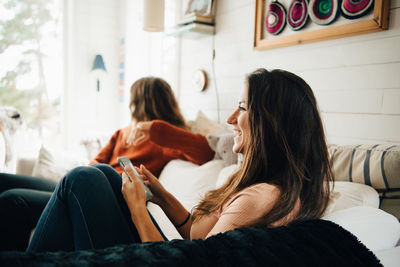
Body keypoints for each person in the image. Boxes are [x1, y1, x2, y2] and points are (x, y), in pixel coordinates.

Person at [26, 68, 333, 252]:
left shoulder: (260, 197)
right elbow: (196, 234)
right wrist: (161, 195)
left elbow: (186, 261)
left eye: (242, 107)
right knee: (102, 173)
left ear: (271, 122)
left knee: (82, 179)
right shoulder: (260, 187)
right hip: (167, 240)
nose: (230, 118)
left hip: (156, 255)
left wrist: (137, 208)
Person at [0, 77, 214, 251]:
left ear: (138, 103)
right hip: (86, 185)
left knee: (12, 200)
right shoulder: (123, 132)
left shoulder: (167, 139)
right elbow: (96, 162)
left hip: (108, 195)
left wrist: (158, 129)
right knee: (4, 182)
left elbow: (206, 151)